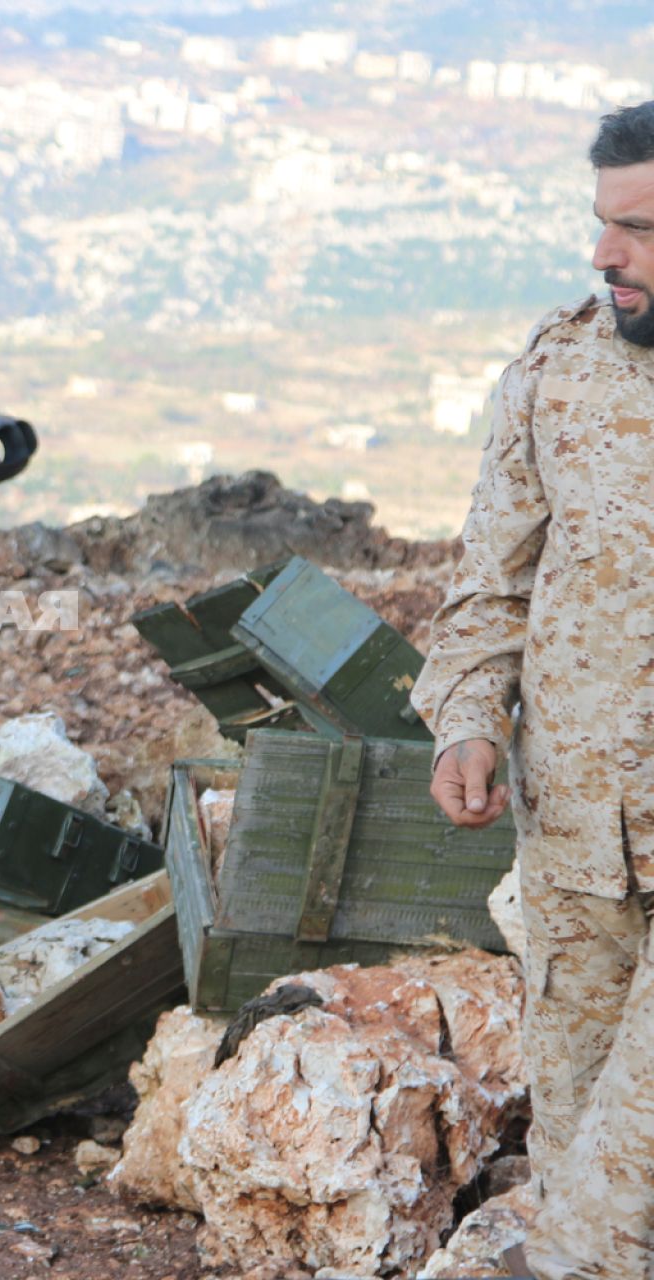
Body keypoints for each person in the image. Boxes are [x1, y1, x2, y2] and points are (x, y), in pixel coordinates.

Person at [415, 100, 654, 1280]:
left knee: (608, 1220)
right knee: (572, 1167)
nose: (605, 256)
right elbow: (485, 595)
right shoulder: (556, 377)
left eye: (643, 230)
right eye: (603, 224)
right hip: (575, 864)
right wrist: (467, 719)